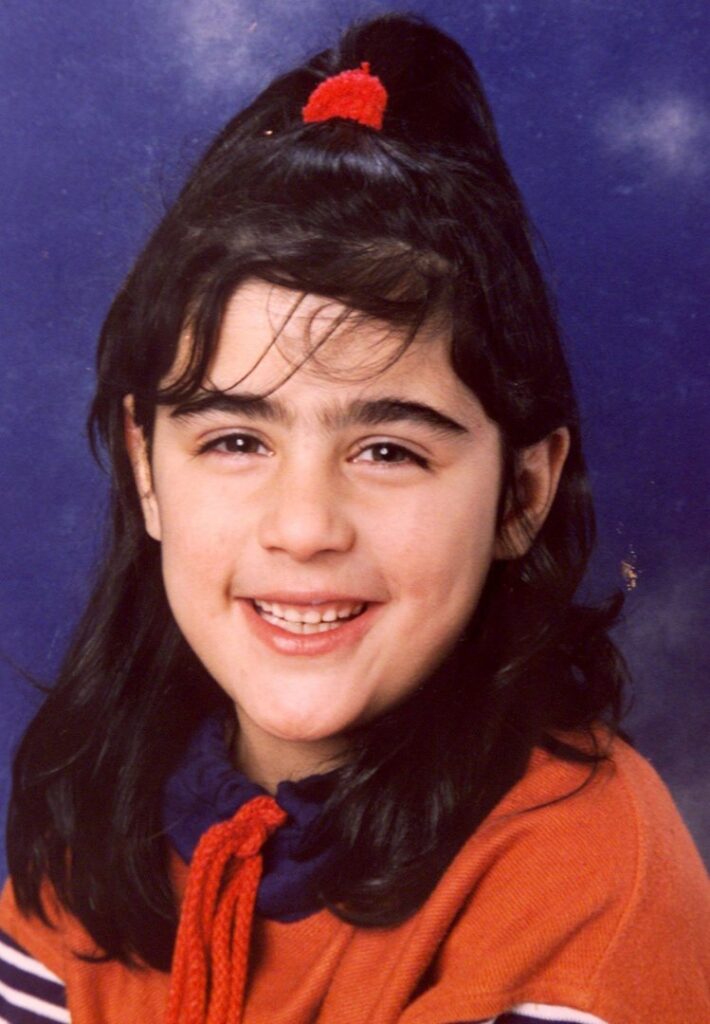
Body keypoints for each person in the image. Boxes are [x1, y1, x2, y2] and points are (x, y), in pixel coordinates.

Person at [0, 12, 707, 1024]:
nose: (303, 527)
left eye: (387, 451)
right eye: (235, 440)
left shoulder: (586, 888)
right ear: (146, 470)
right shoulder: (101, 829)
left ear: (520, 495)